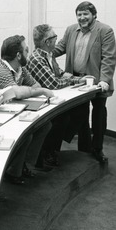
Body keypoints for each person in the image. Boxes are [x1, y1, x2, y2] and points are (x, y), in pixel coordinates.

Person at [0, 35, 54, 184]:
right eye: (26, 50)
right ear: (18, 55)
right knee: (26, 134)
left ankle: (24, 164)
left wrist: (30, 90)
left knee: (45, 125)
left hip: (7, 112)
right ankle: (12, 171)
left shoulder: (20, 68)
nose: (28, 53)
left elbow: (34, 86)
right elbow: (18, 93)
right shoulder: (0, 70)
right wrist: (42, 91)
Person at [53, 1, 116, 163]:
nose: (82, 18)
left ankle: (97, 149)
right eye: (79, 14)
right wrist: (44, 52)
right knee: (80, 114)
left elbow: (108, 58)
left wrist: (104, 80)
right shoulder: (71, 30)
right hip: (77, 81)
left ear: (94, 15)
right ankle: (84, 149)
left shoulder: (105, 31)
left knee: (98, 116)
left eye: (85, 14)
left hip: (97, 82)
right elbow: (59, 48)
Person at [27, 24, 91, 167]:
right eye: (54, 37)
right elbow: (53, 83)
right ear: (47, 42)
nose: (57, 39)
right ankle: (48, 152)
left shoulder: (49, 55)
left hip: (52, 99)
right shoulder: (37, 58)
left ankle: (52, 150)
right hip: (41, 104)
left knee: (80, 110)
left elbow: (59, 73)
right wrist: (72, 79)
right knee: (62, 119)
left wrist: (78, 79)